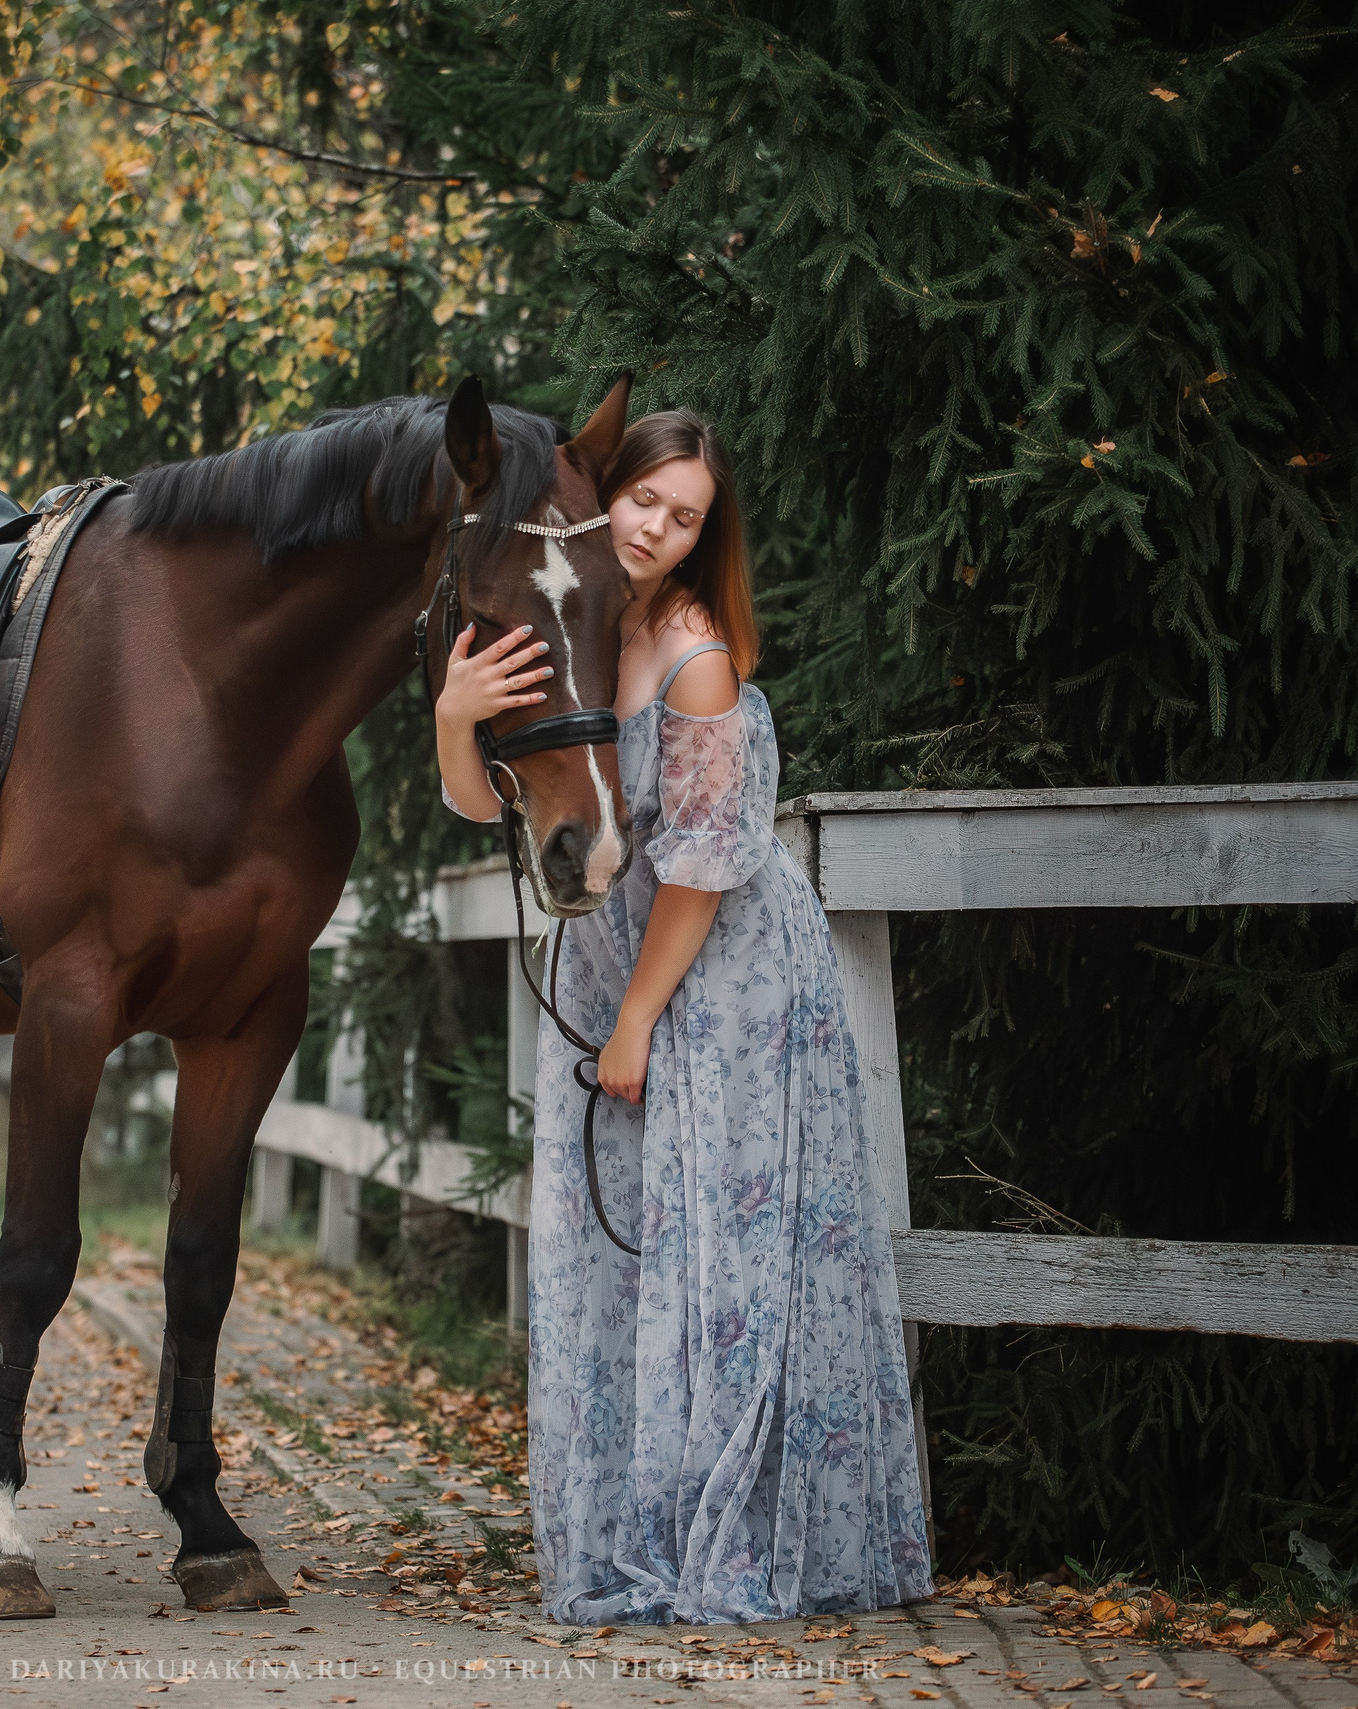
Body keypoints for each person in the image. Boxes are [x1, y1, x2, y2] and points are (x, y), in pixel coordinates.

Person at [434, 408, 932, 1624]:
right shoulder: (588, 627)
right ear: (607, 503)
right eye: (644, 501)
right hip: (621, 975)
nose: (656, 527)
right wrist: (455, 713)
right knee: (613, 1261)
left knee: (718, 1257)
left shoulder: (698, 655)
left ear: (708, 534)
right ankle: (622, 1534)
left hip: (720, 986)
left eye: (684, 514)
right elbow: (484, 806)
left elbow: (707, 863)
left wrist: (636, 1021)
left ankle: (732, 1536)